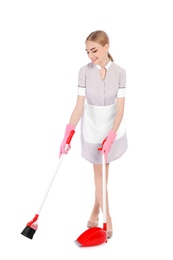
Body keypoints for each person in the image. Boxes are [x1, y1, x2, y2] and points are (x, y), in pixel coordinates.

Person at [59, 30, 128, 239]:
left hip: (112, 124)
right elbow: (79, 106)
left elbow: (121, 107)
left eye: (94, 50)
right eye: (88, 51)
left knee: (104, 171)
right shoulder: (84, 72)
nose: (90, 55)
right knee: (98, 171)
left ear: (107, 47)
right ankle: (108, 217)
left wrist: (112, 135)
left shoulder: (121, 72)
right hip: (92, 124)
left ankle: (95, 210)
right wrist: (68, 132)